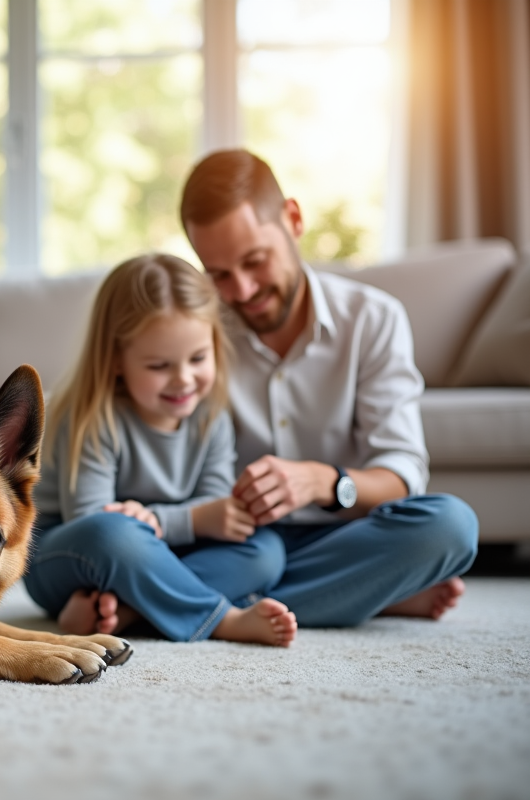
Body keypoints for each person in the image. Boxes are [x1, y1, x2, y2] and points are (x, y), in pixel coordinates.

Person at [179, 149, 478, 627]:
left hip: (339, 536)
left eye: (255, 261)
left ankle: (187, 604)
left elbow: (401, 476)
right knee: (242, 557)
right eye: (219, 275)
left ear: (293, 219)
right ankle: (364, 594)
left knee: (451, 527)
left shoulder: (373, 319)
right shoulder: (196, 332)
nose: (242, 290)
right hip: (237, 544)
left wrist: (321, 481)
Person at [23, 254, 299, 647]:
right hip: (70, 559)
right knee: (114, 532)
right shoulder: (94, 417)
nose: (183, 379)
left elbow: (217, 510)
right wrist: (179, 522)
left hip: (152, 558)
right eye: (159, 366)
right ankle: (222, 619)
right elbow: (91, 522)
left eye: (198, 358)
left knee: (266, 551)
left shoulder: (211, 416)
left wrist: (160, 521)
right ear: (116, 360)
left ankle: (129, 612)